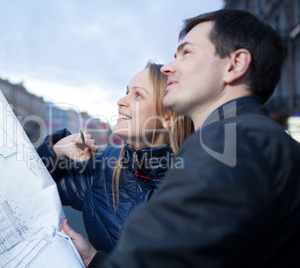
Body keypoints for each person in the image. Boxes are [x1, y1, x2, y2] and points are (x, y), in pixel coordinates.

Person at [63, 9, 300, 267]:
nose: (168, 67)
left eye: (187, 52)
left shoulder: (230, 144)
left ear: (234, 65)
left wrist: (92, 261)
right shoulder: (248, 138)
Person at [37, 62, 193, 254]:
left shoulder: (198, 185)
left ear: (168, 118)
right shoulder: (105, 164)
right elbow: (29, 188)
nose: (120, 101)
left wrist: (94, 260)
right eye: (126, 92)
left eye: (138, 95)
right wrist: (56, 152)